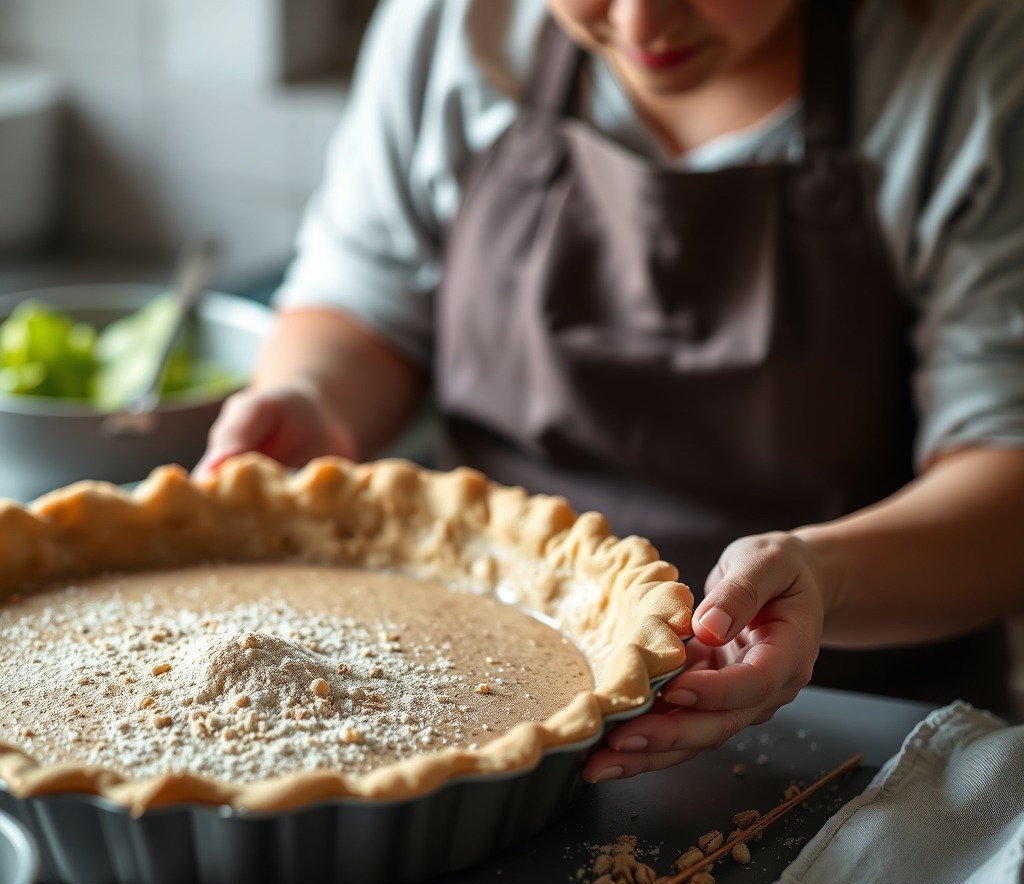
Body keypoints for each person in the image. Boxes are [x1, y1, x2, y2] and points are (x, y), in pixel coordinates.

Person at [195, 0, 1024, 783]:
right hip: (462, 694)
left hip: (862, 735)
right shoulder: (459, 24)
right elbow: (369, 305)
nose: (640, 23)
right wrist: (315, 396)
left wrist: (827, 580)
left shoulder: (972, 63)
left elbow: (1005, 475)